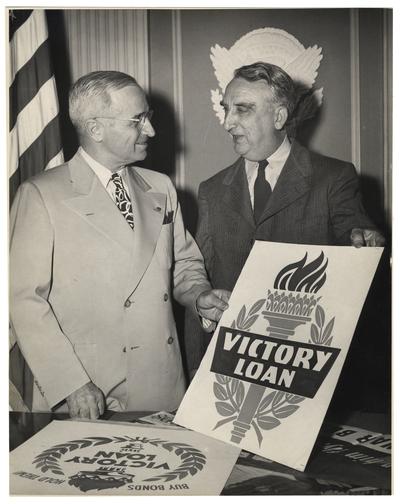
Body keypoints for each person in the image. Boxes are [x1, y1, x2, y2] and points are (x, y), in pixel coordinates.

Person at [9, 70, 229, 419]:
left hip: (160, 383)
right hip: (85, 388)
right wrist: (71, 383)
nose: (151, 131)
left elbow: (183, 264)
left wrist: (199, 296)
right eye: (137, 121)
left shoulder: (162, 188)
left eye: (149, 118)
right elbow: (22, 300)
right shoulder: (40, 195)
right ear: (96, 128)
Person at [185, 61, 384, 377]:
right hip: (232, 365)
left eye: (243, 110)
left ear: (279, 116)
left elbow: (355, 231)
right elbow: (200, 278)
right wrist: (196, 364)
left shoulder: (334, 178)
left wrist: (365, 240)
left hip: (306, 365)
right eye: (227, 109)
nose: (227, 122)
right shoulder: (212, 190)